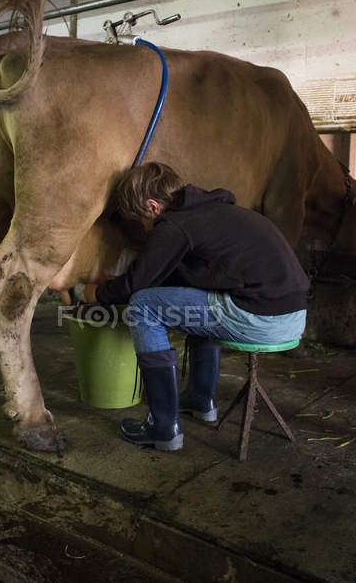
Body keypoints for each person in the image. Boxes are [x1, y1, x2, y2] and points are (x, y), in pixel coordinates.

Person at [84, 162, 308, 452]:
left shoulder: (175, 224)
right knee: (197, 297)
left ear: (153, 207)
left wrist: (95, 293)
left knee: (143, 307)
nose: (146, 229)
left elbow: (135, 287)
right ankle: (202, 400)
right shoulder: (214, 212)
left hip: (260, 319)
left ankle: (163, 427)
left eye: (142, 221)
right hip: (293, 317)